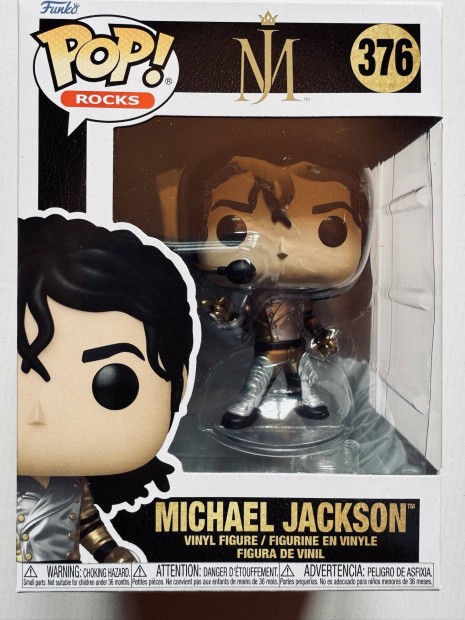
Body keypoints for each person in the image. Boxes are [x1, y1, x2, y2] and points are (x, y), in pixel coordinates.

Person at [17, 214, 193, 561]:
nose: (37, 414)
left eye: (113, 384)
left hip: (65, 580)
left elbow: (87, 523)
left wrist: (110, 551)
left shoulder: (75, 483)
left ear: (179, 382)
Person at [180, 143, 371, 429]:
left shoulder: (301, 299)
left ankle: (310, 403)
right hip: (268, 350)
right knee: (256, 382)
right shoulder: (257, 299)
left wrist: (321, 335)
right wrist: (224, 318)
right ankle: (246, 408)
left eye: (331, 229)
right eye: (232, 229)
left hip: (297, 348)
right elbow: (242, 325)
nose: (282, 247)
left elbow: (309, 319)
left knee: (306, 381)